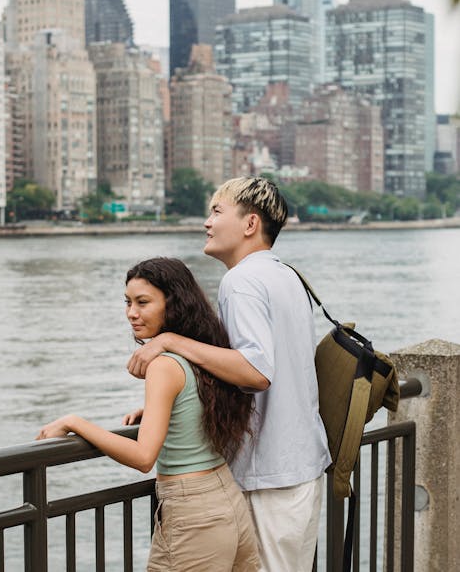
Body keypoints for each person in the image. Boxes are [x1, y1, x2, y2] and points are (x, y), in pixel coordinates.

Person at [127, 177, 332, 572]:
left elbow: (255, 372)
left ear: (250, 224)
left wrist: (171, 340)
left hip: (267, 475)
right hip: (302, 466)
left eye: (217, 211)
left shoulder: (241, 281)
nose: (207, 222)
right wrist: (166, 408)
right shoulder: (288, 276)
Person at [36, 257, 260, 572]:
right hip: (227, 500)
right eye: (127, 302)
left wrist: (76, 423)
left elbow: (143, 457)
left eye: (143, 302)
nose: (131, 313)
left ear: (174, 304)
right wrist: (159, 412)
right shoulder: (201, 351)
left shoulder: (164, 364)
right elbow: (195, 403)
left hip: (193, 513)